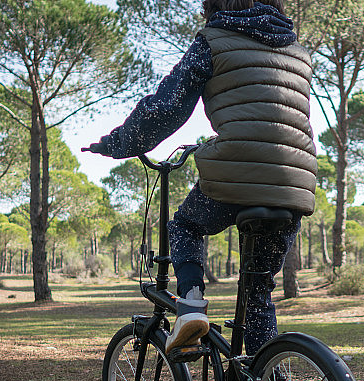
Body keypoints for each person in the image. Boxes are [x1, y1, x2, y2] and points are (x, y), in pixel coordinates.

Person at [85, 0, 317, 355]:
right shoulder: (298, 53)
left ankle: (191, 305)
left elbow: (166, 109)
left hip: (236, 171)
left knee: (184, 227)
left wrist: (115, 143)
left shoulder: (213, 39)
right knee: (258, 293)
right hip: (295, 183)